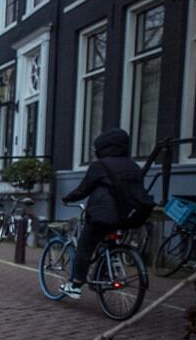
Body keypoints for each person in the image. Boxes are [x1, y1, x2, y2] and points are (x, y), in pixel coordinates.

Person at [59, 128, 144, 299]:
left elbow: (83, 189)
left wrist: (67, 199)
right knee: (110, 242)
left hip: (102, 215)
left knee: (84, 247)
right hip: (129, 216)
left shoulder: (100, 166)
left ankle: (75, 284)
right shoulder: (134, 166)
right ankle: (104, 274)